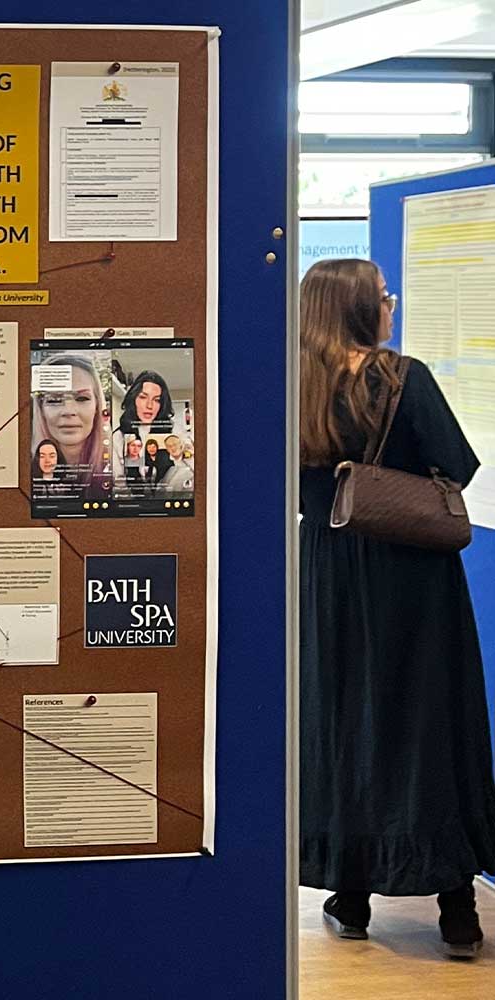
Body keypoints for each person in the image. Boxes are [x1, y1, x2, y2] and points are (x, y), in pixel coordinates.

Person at [298, 257, 495, 959]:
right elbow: (458, 464)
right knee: (427, 724)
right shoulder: (401, 376)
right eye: (383, 295)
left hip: (329, 575)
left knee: (343, 719)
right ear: (358, 308)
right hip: (411, 574)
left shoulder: (297, 382)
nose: (392, 302)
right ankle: (458, 913)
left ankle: (349, 897)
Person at [31, 353, 112, 500]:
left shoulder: (117, 468)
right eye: (54, 400)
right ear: (41, 409)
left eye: (82, 398)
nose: (68, 411)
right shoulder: (25, 474)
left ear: (97, 406)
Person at [110, 368, 174, 482]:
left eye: (157, 400)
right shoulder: (118, 438)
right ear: (133, 399)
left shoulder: (172, 434)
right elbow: (117, 483)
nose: (149, 405)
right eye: (143, 397)